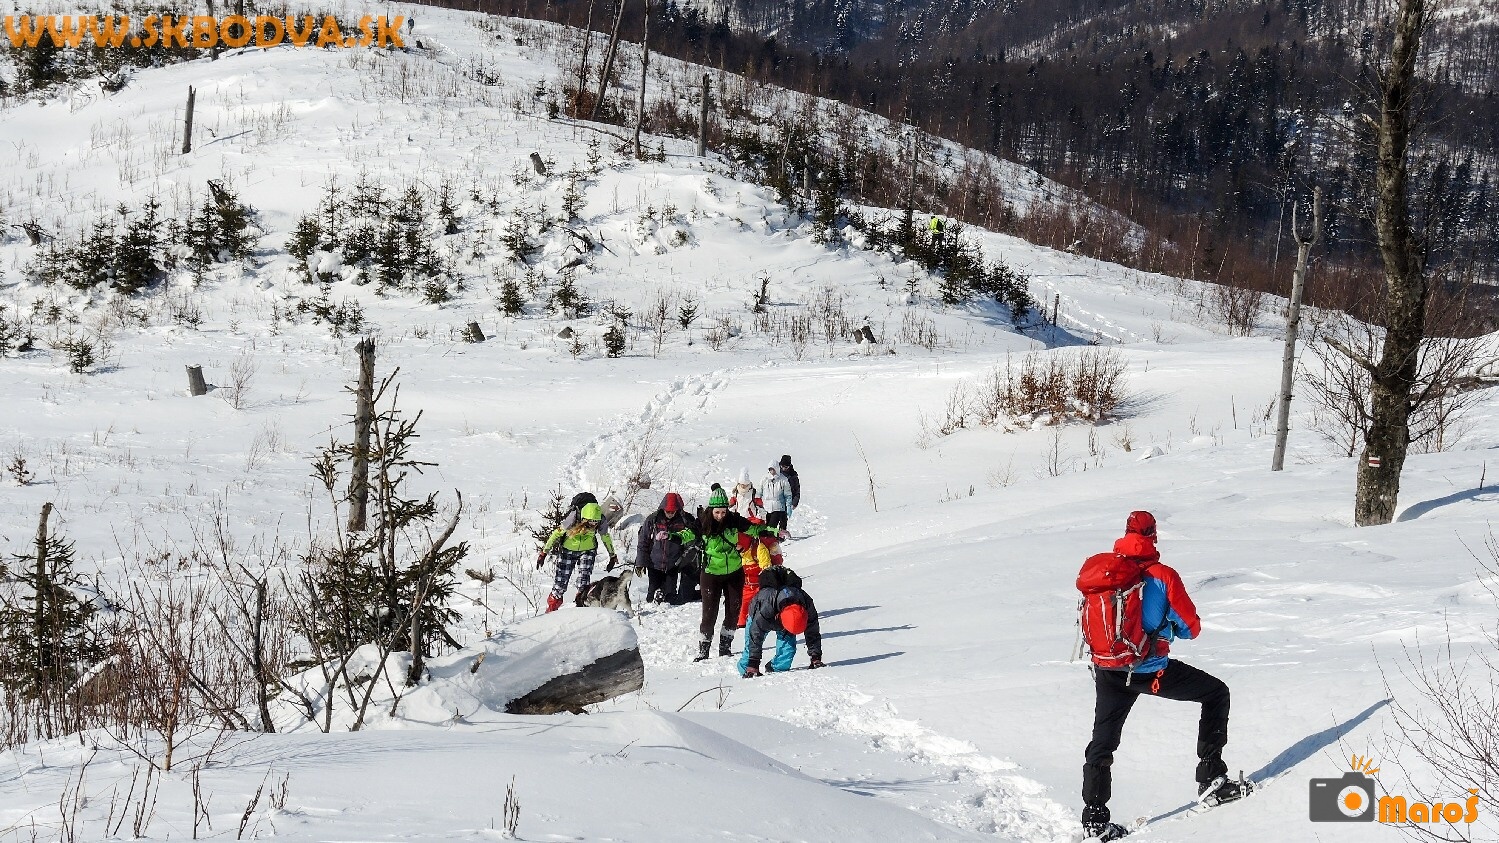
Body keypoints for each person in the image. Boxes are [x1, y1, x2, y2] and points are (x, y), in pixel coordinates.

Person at [1080, 511, 1249, 842]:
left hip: (1109, 669)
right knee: (1216, 694)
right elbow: (1191, 628)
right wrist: (1165, 627)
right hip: (1149, 670)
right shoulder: (1162, 575)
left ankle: (1095, 821)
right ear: (1153, 536)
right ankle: (1212, 780)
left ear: (1125, 533)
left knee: (1103, 741)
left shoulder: (1104, 573)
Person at [694, 487, 772, 661]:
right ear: (711, 510)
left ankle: (725, 646)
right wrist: (673, 536)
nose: (720, 516)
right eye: (717, 512)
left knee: (733, 611)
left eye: (723, 512)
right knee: (709, 614)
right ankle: (703, 649)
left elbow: (754, 529)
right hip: (711, 574)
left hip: (734, 572)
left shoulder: (734, 520)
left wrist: (774, 531)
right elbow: (687, 534)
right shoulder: (703, 523)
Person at [739, 566, 823, 676]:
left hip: (783, 614)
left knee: (788, 652)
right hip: (758, 614)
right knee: (749, 651)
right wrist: (753, 664)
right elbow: (755, 636)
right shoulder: (765, 607)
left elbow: (813, 631)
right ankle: (746, 672)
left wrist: (815, 657)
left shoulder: (806, 603)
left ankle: (775, 669)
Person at [537, 501, 618, 613]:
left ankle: (580, 611)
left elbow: (605, 537)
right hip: (568, 550)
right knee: (560, 585)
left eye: (596, 522)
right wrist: (544, 553)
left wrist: (612, 555)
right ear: (584, 519)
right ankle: (551, 610)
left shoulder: (601, 520)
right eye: (591, 521)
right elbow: (556, 533)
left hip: (587, 551)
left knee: (583, 584)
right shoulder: (573, 518)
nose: (594, 524)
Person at [635, 492, 697, 604]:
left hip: (673, 564)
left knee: (669, 597)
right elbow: (643, 541)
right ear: (663, 508)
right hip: (654, 564)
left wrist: (684, 560)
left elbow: (692, 538)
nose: (670, 514)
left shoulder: (684, 520)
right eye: (668, 511)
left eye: (673, 512)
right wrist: (640, 563)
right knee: (651, 595)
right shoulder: (653, 519)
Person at [762, 462, 794, 531]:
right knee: (766, 528)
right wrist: (758, 503)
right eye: (770, 469)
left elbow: (788, 495)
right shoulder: (765, 479)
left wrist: (788, 506)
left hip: (778, 508)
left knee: (771, 527)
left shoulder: (783, 480)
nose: (772, 471)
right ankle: (775, 535)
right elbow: (759, 492)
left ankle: (776, 534)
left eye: (773, 469)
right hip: (767, 508)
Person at [778, 455, 800, 525]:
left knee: (783, 521)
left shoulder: (793, 476)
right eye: (782, 466)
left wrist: (794, 503)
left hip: (787, 502)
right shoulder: (776, 472)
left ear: (789, 466)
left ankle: (782, 529)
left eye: (786, 467)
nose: (783, 468)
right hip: (776, 500)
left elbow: (797, 490)